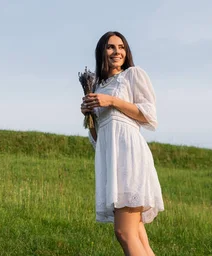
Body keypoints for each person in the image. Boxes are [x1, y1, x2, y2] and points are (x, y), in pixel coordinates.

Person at [81, 31, 164, 256]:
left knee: (124, 233)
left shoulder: (131, 75)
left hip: (130, 156)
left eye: (121, 47)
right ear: (101, 52)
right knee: (137, 235)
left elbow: (148, 116)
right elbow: (98, 140)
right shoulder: (97, 87)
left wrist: (112, 101)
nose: (117, 52)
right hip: (111, 160)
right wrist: (90, 116)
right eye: (110, 47)